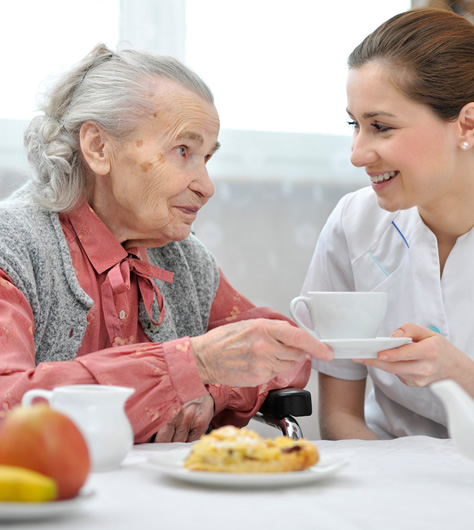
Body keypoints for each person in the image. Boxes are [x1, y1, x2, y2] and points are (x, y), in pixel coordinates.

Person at [0, 44, 333, 444]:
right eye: (182, 151)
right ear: (98, 147)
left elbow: (283, 350)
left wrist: (212, 387)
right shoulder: (14, 245)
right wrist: (192, 365)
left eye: (206, 157)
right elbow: (8, 406)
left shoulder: (183, 257)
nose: (206, 187)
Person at [299, 8, 474, 440]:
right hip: (385, 483)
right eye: (355, 125)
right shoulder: (354, 224)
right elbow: (341, 418)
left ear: (467, 124)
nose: (357, 153)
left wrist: (460, 374)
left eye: (381, 127)